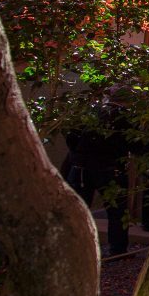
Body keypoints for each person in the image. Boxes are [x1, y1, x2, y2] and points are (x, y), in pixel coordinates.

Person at [60, 95, 135, 256]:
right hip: (109, 168)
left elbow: (71, 136)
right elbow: (135, 143)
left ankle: (74, 248)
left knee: (79, 209)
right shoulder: (123, 117)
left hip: (82, 168)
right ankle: (117, 249)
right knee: (117, 211)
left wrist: (78, 155)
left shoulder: (88, 112)